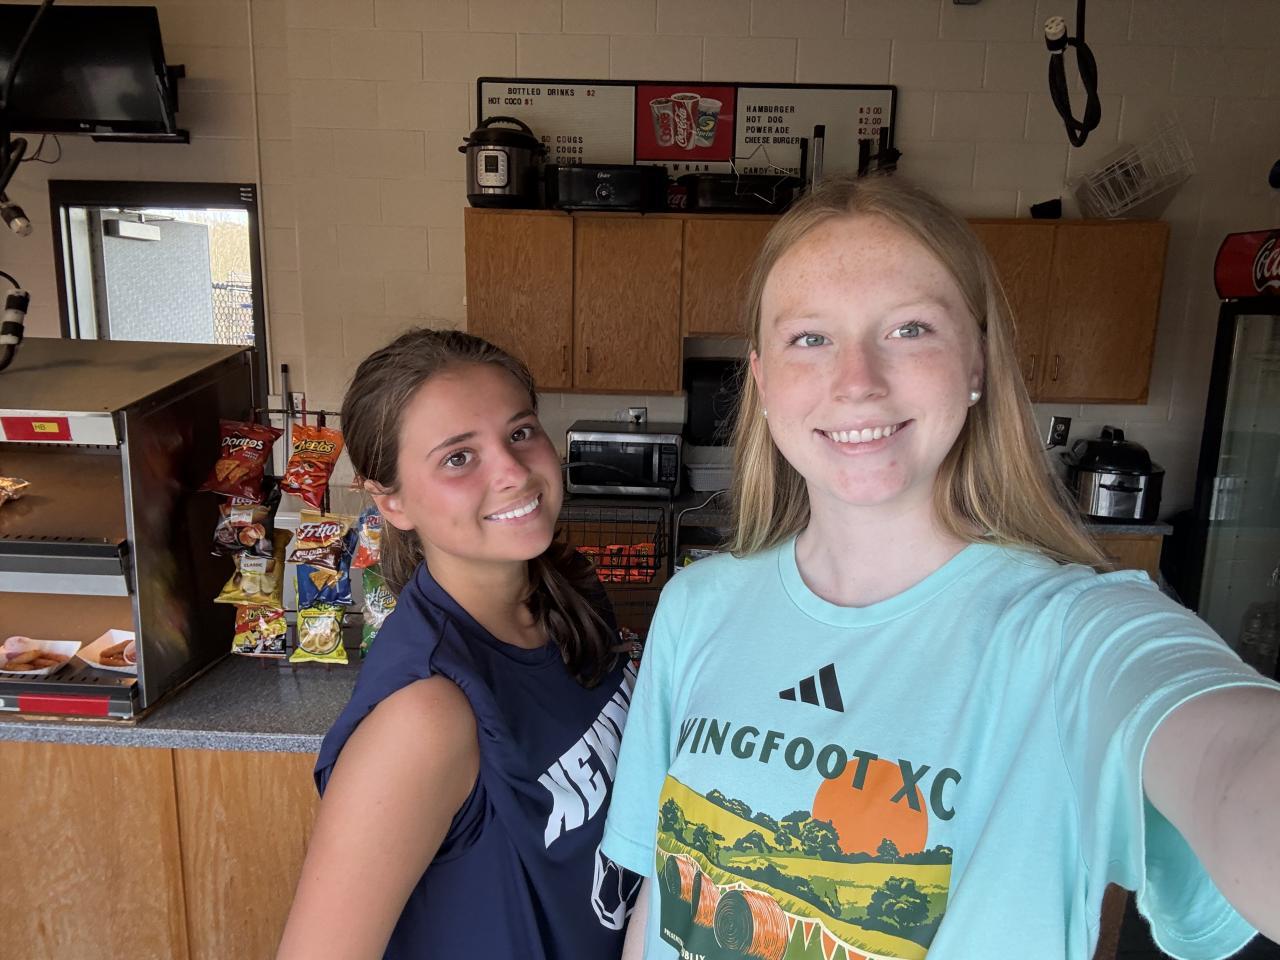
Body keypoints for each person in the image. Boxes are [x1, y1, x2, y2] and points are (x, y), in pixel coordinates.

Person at [602, 176, 1280, 960]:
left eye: (910, 328)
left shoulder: (1068, 634)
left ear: (977, 363)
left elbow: (1235, 761)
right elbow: (660, 896)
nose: (857, 381)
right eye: (810, 338)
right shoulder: (695, 606)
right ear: (761, 380)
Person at [278, 330, 641, 960]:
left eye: (520, 432)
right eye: (458, 457)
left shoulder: (566, 592)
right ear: (391, 500)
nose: (513, 472)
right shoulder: (427, 715)